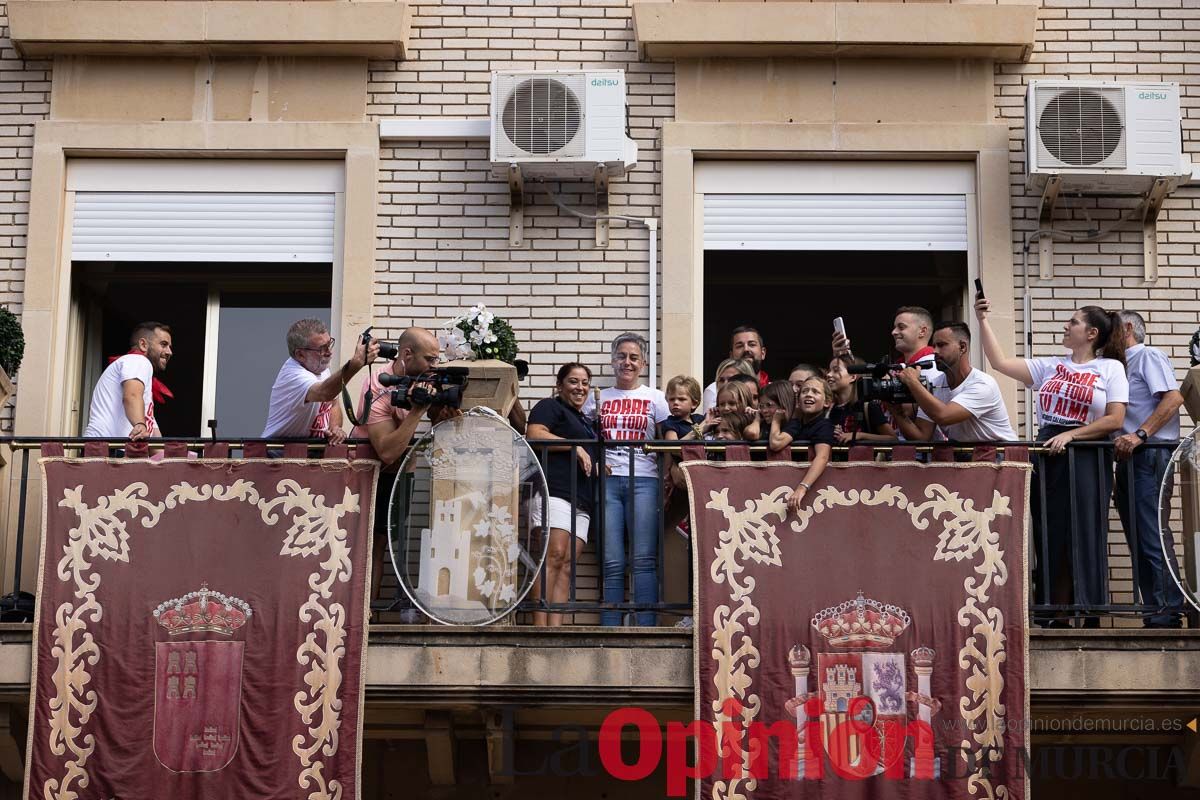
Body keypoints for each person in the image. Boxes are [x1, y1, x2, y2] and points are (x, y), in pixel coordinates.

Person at [977, 298, 1127, 626]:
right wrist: (982, 319)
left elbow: (1115, 419)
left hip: (1087, 455)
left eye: (1073, 322)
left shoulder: (1109, 368)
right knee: (1051, 531)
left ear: (1091, 333)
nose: (1065, 326)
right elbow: (999, 362)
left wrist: (1073, 435)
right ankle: (1055, 611)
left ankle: (1088, 611)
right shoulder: (1050, 365)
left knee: (1084, 530)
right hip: (1050, 454)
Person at [351, 326, 455, 598]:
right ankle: (361, 612)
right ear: (407, 355)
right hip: (369, 472)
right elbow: (386, 451)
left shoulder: (428, 378)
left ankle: (369, 612)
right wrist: (418, 411)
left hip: (401, 473)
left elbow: (438, 422)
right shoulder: (377, 385)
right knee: (365, 545)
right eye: (430, 359)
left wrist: (443, 415)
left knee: (381, 543)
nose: (435, 365)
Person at [1112, 310, 1185, 628]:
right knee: (1138, 537)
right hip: (1129, 459)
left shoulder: (1147, 356)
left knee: (1152, 533)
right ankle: (1155, 611)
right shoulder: (1119, 366)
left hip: (1150, 455)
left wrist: (1140, 434)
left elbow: (1174, 398)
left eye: (1111, 328)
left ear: (1128, 328)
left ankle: (1167, 611)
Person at [596, 332, 669, 626]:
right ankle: (610, 629)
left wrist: (668, 475)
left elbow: (668, 439)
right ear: (613, 361)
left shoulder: (656, 398)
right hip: (608, 482)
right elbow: (586, 435)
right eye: (622, 356)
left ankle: (647, 628)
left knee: (644, 560)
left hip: (645, 480)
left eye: (634, 357)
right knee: (612, 561)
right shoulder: (598, 398)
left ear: (644, 364)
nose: (627, 362)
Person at [526, 363, 598, 627]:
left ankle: (555, 630)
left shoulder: (586, 422)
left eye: (585, 383)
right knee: (553, 556)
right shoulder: (550, 406)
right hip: (553, 491)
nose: (580, 388)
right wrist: (574, 447)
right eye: (573, 381)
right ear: (559, 385)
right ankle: (540, 629)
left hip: (582, 499)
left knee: (568, 564)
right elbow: (534, 434)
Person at [889, 322, 1016, 443]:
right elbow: (922, 436)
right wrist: (896, 411)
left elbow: (943, 416)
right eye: (934, 346)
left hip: (1000, 453)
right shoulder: (935, 384)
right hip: (965, 454)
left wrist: (913, 382)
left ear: (962, 347)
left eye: (941, 345)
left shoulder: (982, 384)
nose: (934, 351)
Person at [262, 319, 378, 444]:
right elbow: (325, 393)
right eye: (322, 349)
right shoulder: (293, 375)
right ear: (300, 355)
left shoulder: (319, 367)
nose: (329, 352)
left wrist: (334, 428)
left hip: (307, 448)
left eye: (329, 344)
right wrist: (355, 363)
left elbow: (333, 403)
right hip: (276, 450)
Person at [84, 321, 173, 440]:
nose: (169, 352)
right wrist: (140, 425)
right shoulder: (138, 361)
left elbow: (152, 430)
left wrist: (164, 451)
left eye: (170, 347)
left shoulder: (135, 368)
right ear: (143, 345)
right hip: (105, 446)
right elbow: (132, 395)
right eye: (163, 344)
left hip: (106, 446)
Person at [768, 376, 834, 513]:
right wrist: (776, 420)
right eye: (804, 391)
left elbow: (822, 457)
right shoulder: (797, 423)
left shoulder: (824, 425)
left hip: (809, 489)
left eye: (815, 392)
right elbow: (775, 444)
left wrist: (802, 488)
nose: (809, 394)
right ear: (798, 401)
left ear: (827, 402)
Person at [826, 355, 895, 445]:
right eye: (829, 371)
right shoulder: (828, 409)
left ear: (853, 377)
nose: (828, 375)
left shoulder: (868, 406)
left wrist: (860, 435)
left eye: (836, 370)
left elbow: (892, 438)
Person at [701, 327, 769, 412]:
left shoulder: (772, 389)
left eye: (752, 344)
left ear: (763, 353)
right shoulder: (713, 390)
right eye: (739, 346)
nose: (746, 349)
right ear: (731, 355)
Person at [662, 375, 704, 440]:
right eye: (672, 399)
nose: (675, 402)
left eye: (681, 399)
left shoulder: (699, 419)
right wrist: (699, 430)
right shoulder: (670, 424)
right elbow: (672, 445)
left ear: (694, 404)